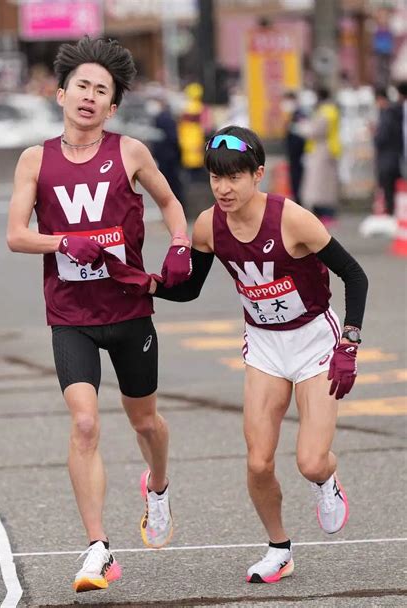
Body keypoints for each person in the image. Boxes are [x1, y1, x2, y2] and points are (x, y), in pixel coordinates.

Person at [6, 36, 191, 593]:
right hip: (71, 314)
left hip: (130, 307)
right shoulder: (34, 160)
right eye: (81, 86)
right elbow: (16, 235)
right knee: (84, 422)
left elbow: (170, 202)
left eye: (101, 91)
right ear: (61, 94)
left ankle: (156, 485)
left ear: (112, 107)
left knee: (144, 422)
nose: (89, 97)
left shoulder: (129, 151)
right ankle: (97, 550)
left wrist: (179, 244)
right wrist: (64, 243)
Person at [149, 125, 368, 584]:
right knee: (258, 461)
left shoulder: (293, 219)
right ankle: (278, 548)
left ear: (258, 175)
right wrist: (151, 282)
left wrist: (349, 341)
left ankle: (328, 481)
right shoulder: (208, 224)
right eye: (215, 178)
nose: (223, 188)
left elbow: (355, 276)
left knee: (310, 460)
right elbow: (188, 291)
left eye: (234, 178)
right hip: (265, 345)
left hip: (313, 341)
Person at [300, 88, 342, 226]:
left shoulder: (325, 112)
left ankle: (325, 214)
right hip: (328, 150)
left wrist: (302, 128)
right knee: (325, 185)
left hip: (323, 151)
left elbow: (315, 131)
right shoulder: (332, 110)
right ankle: (325, 213)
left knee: (321, 187)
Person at [373, 87, 403, 215]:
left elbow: (382, 138)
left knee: (388, 189)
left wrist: (375, 134)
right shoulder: (397, 112)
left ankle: (391, 213)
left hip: (387, 159)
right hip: (397, 157)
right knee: (395, 189)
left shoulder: (387, 114)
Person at [281, 91, 306, 205]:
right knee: (293, 177)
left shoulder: (300, 114)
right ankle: (297, 199)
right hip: (292, 153)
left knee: (298, 178)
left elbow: (303, 134)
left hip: (299, 153)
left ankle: (299, 200)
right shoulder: (289, 116)